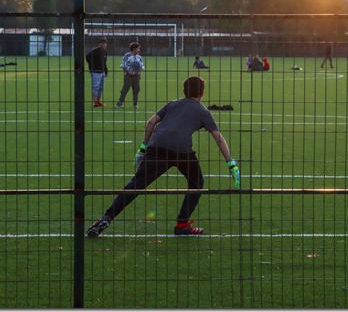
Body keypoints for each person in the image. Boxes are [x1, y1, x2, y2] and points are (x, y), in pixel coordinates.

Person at [86, 76, 240, 237]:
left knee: (136, 184)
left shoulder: (172, 104)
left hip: (157, 146)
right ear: (202, 92)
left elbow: (150, 123)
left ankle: (107, 217)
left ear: (183, 91)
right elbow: (218, 138)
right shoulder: (202, 111)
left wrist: (143, 149)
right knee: (197, 183)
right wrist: (231, 164)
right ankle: (182, 224)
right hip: (182, 150)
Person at [115, 42, 145, 108]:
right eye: (138, 49)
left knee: (136, 90)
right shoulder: (127, 55)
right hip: (128, 76)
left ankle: (135, 103)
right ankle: (120, 103)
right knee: (124, 90)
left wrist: (139, 72)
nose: (139, 50)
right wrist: (128, 72)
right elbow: (123, 65)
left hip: (137, 77)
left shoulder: (139, 57)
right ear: (134, 49)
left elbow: (142, 67)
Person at [85, 38, 108, 107]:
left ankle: (98, 101)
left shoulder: (105, 52)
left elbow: (104, 62)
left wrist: (106, 70)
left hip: (102, 72)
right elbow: (87, 57)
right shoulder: (95, 51)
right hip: (95, 72)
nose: (103, 44)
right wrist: (93, 65)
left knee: (101, 87)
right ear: (99, 44)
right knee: (96, 87)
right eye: (102, 43)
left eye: (105, 43)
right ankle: (95, 102)